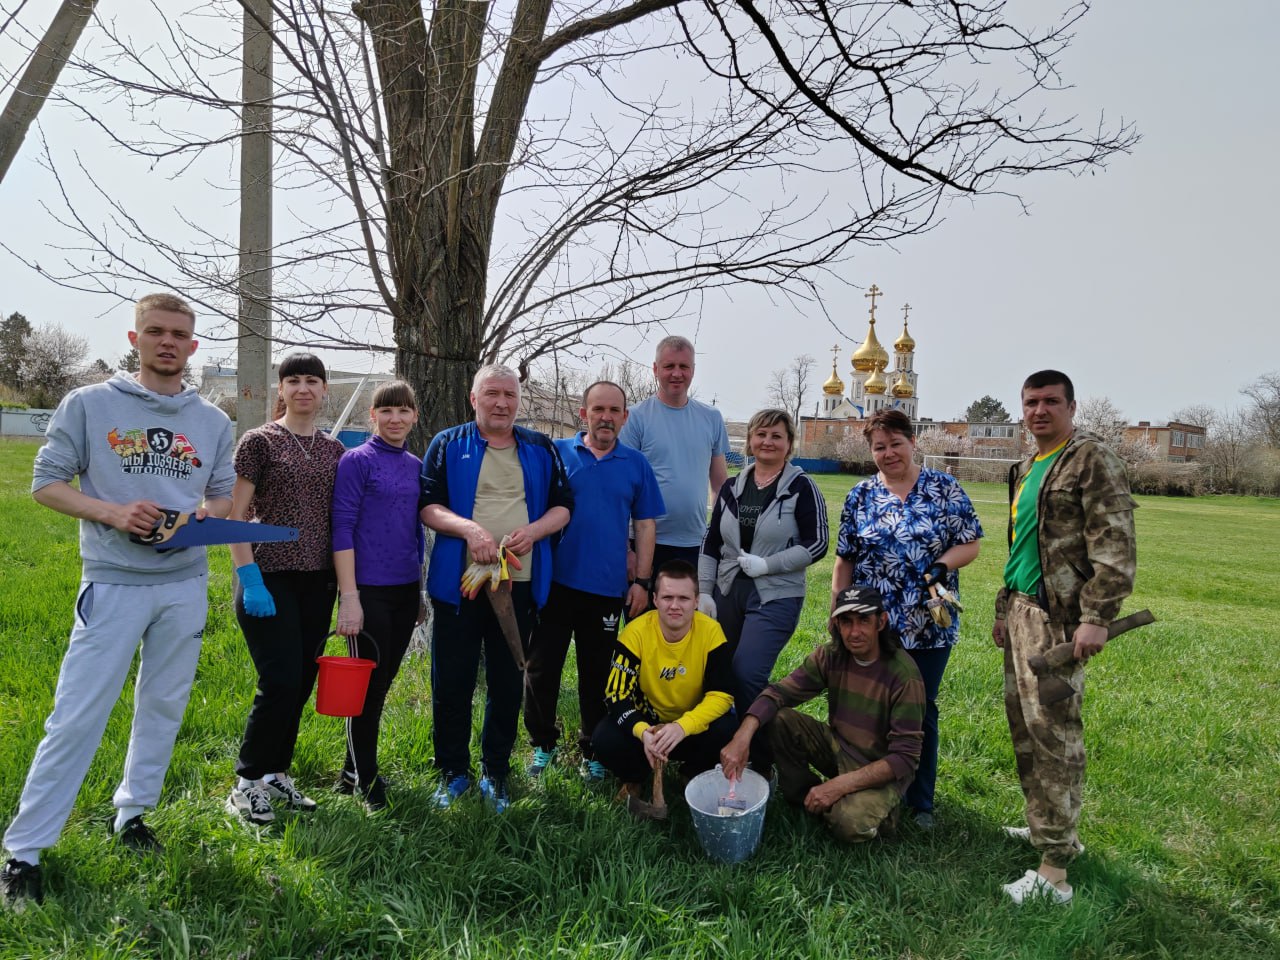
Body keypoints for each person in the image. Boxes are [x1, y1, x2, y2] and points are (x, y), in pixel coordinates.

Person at [2, 293, 234, 909]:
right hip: (113, 583)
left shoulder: (212, 421)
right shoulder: (90, 404)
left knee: (163, 705)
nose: (167, 342)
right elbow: (45, 484)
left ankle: (132, 815)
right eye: (155, 331)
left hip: (184, 585)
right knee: (77, 714)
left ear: (193, 345)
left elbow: (221, 496)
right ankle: (25, 851)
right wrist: (113, 512)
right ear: (135, 339)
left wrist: (200, 517)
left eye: (179, 334)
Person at [993, 370, 1137, 906]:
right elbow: (1021, 546)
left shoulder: (1090, 459)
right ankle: (1046, 826)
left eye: (1051, 401)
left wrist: (1097, 615)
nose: (1039, 411)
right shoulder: (1028, 467)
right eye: (1031, 402)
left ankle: (1054, 872)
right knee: (1026, 729)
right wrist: (1004, 608)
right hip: (1023, 611)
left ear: (1071, 407)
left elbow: (1114, 541)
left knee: (1055, 734)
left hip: (1060, 622)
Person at [419, 364, 572, 812]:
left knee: (507, 682)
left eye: (509, 394)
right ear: (474, 398)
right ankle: (453, 772)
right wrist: (471, 530)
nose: (501, 403)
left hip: (518, 585)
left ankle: (496, 771)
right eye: (492, 394)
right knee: (452, 681)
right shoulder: (448, 443)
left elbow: (564, 506)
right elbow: (428, 506)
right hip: (460, 585)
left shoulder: (541, 447)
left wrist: (535, 531)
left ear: (518, 401)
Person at [832, 409, 983, 831]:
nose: (888, 453)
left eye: (896, 443)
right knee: (869, 708)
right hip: (870, 625)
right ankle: (871, 787)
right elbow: (844, 561)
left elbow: (970, 543)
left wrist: (941, 565)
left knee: (920, 710)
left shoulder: (943, 487)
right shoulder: (860, 495)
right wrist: (836, 614)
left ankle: (921, 802)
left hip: (927, 625)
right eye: (879, 447)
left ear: (913, 442)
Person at [225, 353, 345, 827]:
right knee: (278, 680)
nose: (303, 388)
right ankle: (246, 782)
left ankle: (276, 774)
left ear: (324, 389)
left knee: (301, 682)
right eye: (293, 380)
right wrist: (250, 578)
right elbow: (235, 516)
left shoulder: (335, 451)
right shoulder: (259, 442)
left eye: (312, 380)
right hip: (267, 578)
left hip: (318, 581)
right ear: (282, 388)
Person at [523, 381, 665, 781]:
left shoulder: (636, 464)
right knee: (541, 668)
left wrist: (642, 582)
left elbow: (646, 525)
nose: (606, 417)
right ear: (583, 413)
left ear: (625, 417)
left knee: (599, 675)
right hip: (554, 584)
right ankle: (542, 745)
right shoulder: (557, 453)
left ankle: (595, 749)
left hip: (606, 589)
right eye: (598, 409)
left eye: (614, 410)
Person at [720, 585, 925, 845]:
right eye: (846, 622)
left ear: (881, 622)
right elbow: (779, 693)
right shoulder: (831, 656)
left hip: (878, 765)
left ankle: (877, 814)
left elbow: (905, 758)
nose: (854, 632)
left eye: (864, 620)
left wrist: (838, 786)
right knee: (780, 719)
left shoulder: (904, 675)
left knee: (849, 823)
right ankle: (804, 798)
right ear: (837, 624)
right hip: (840, 748)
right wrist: (742, 736)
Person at [331, 381, 426, 812]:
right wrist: (349, 596)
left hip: (405, 589)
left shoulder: (415, 465)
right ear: (373, 415)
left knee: (383, 683)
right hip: (367, 590)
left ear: (414, 416)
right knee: (365, 690)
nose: (395, 419)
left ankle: (351, 771)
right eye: (386, 411)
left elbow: (415, 532)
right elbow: (342, 528)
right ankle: (368, 784)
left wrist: (419, 591)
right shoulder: (357, 461)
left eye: (403, 411)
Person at [699, 408, 828, 726]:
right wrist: (704, 592)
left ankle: (755, 747)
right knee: (715, 670)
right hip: (728, 590)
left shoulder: (802, 487)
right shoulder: (731, 487)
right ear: (750, 440)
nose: (767, 441)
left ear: (789, 443)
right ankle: (718, 740)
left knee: (747, 673)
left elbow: (818, 544)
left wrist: (768, 565)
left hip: (776, 594)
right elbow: (711, 542)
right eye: (761, 434)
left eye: (776, 436)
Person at [593, 561, 736, 791]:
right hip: (648, 725)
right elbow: (616, 695)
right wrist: (643, 732)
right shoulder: (634, 633)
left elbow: (722, 695)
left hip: (691, 727)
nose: (675, 606)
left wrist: (682, 726)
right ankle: (636, 775)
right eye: (667, 597)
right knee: (604, 739)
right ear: (655, 600)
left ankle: (693, 771)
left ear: (696, 601)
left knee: (727, 728)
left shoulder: (712, 632)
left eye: (684, 598)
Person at [618, 335, 730, 571]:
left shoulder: (711, 418)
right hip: (644, 541)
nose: (676, 373)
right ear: (655, 369)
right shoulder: (635, 417)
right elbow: (621, 489)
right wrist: (626, 549)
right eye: (669, 366)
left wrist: (719, 538)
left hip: (695, 542)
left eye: (683, 366)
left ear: (693, 370)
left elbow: (720, 485)